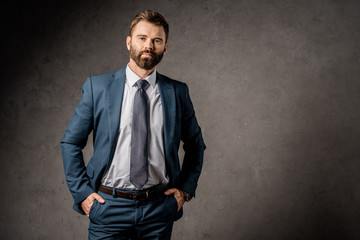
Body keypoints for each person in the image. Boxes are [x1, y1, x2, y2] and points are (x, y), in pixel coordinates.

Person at [61, 10, 206, 239]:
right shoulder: (97, 88)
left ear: (165, 48)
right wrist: (83, 194)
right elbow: (70, 142)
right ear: (129, 42)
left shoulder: (177, 92)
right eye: (142, 38)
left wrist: (184, 191)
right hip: (108, 206)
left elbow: (196, 145)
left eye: (157, 40)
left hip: (158, 209)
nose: (149, 45)